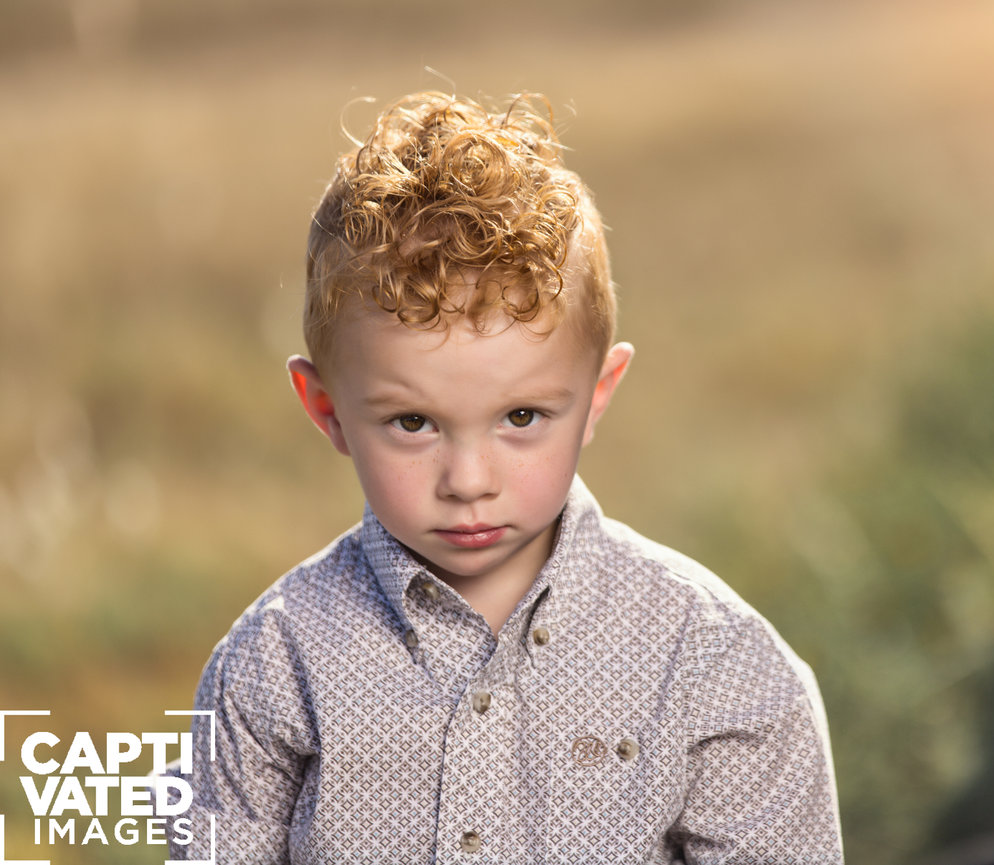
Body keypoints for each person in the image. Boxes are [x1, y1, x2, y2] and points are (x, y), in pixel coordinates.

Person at [170, 90, 842, 863]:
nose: (468, 479)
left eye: (521, 418)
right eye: (412, 423)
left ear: (596, 397)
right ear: (326, 410)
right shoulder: (272, 665)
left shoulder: (718, 666)